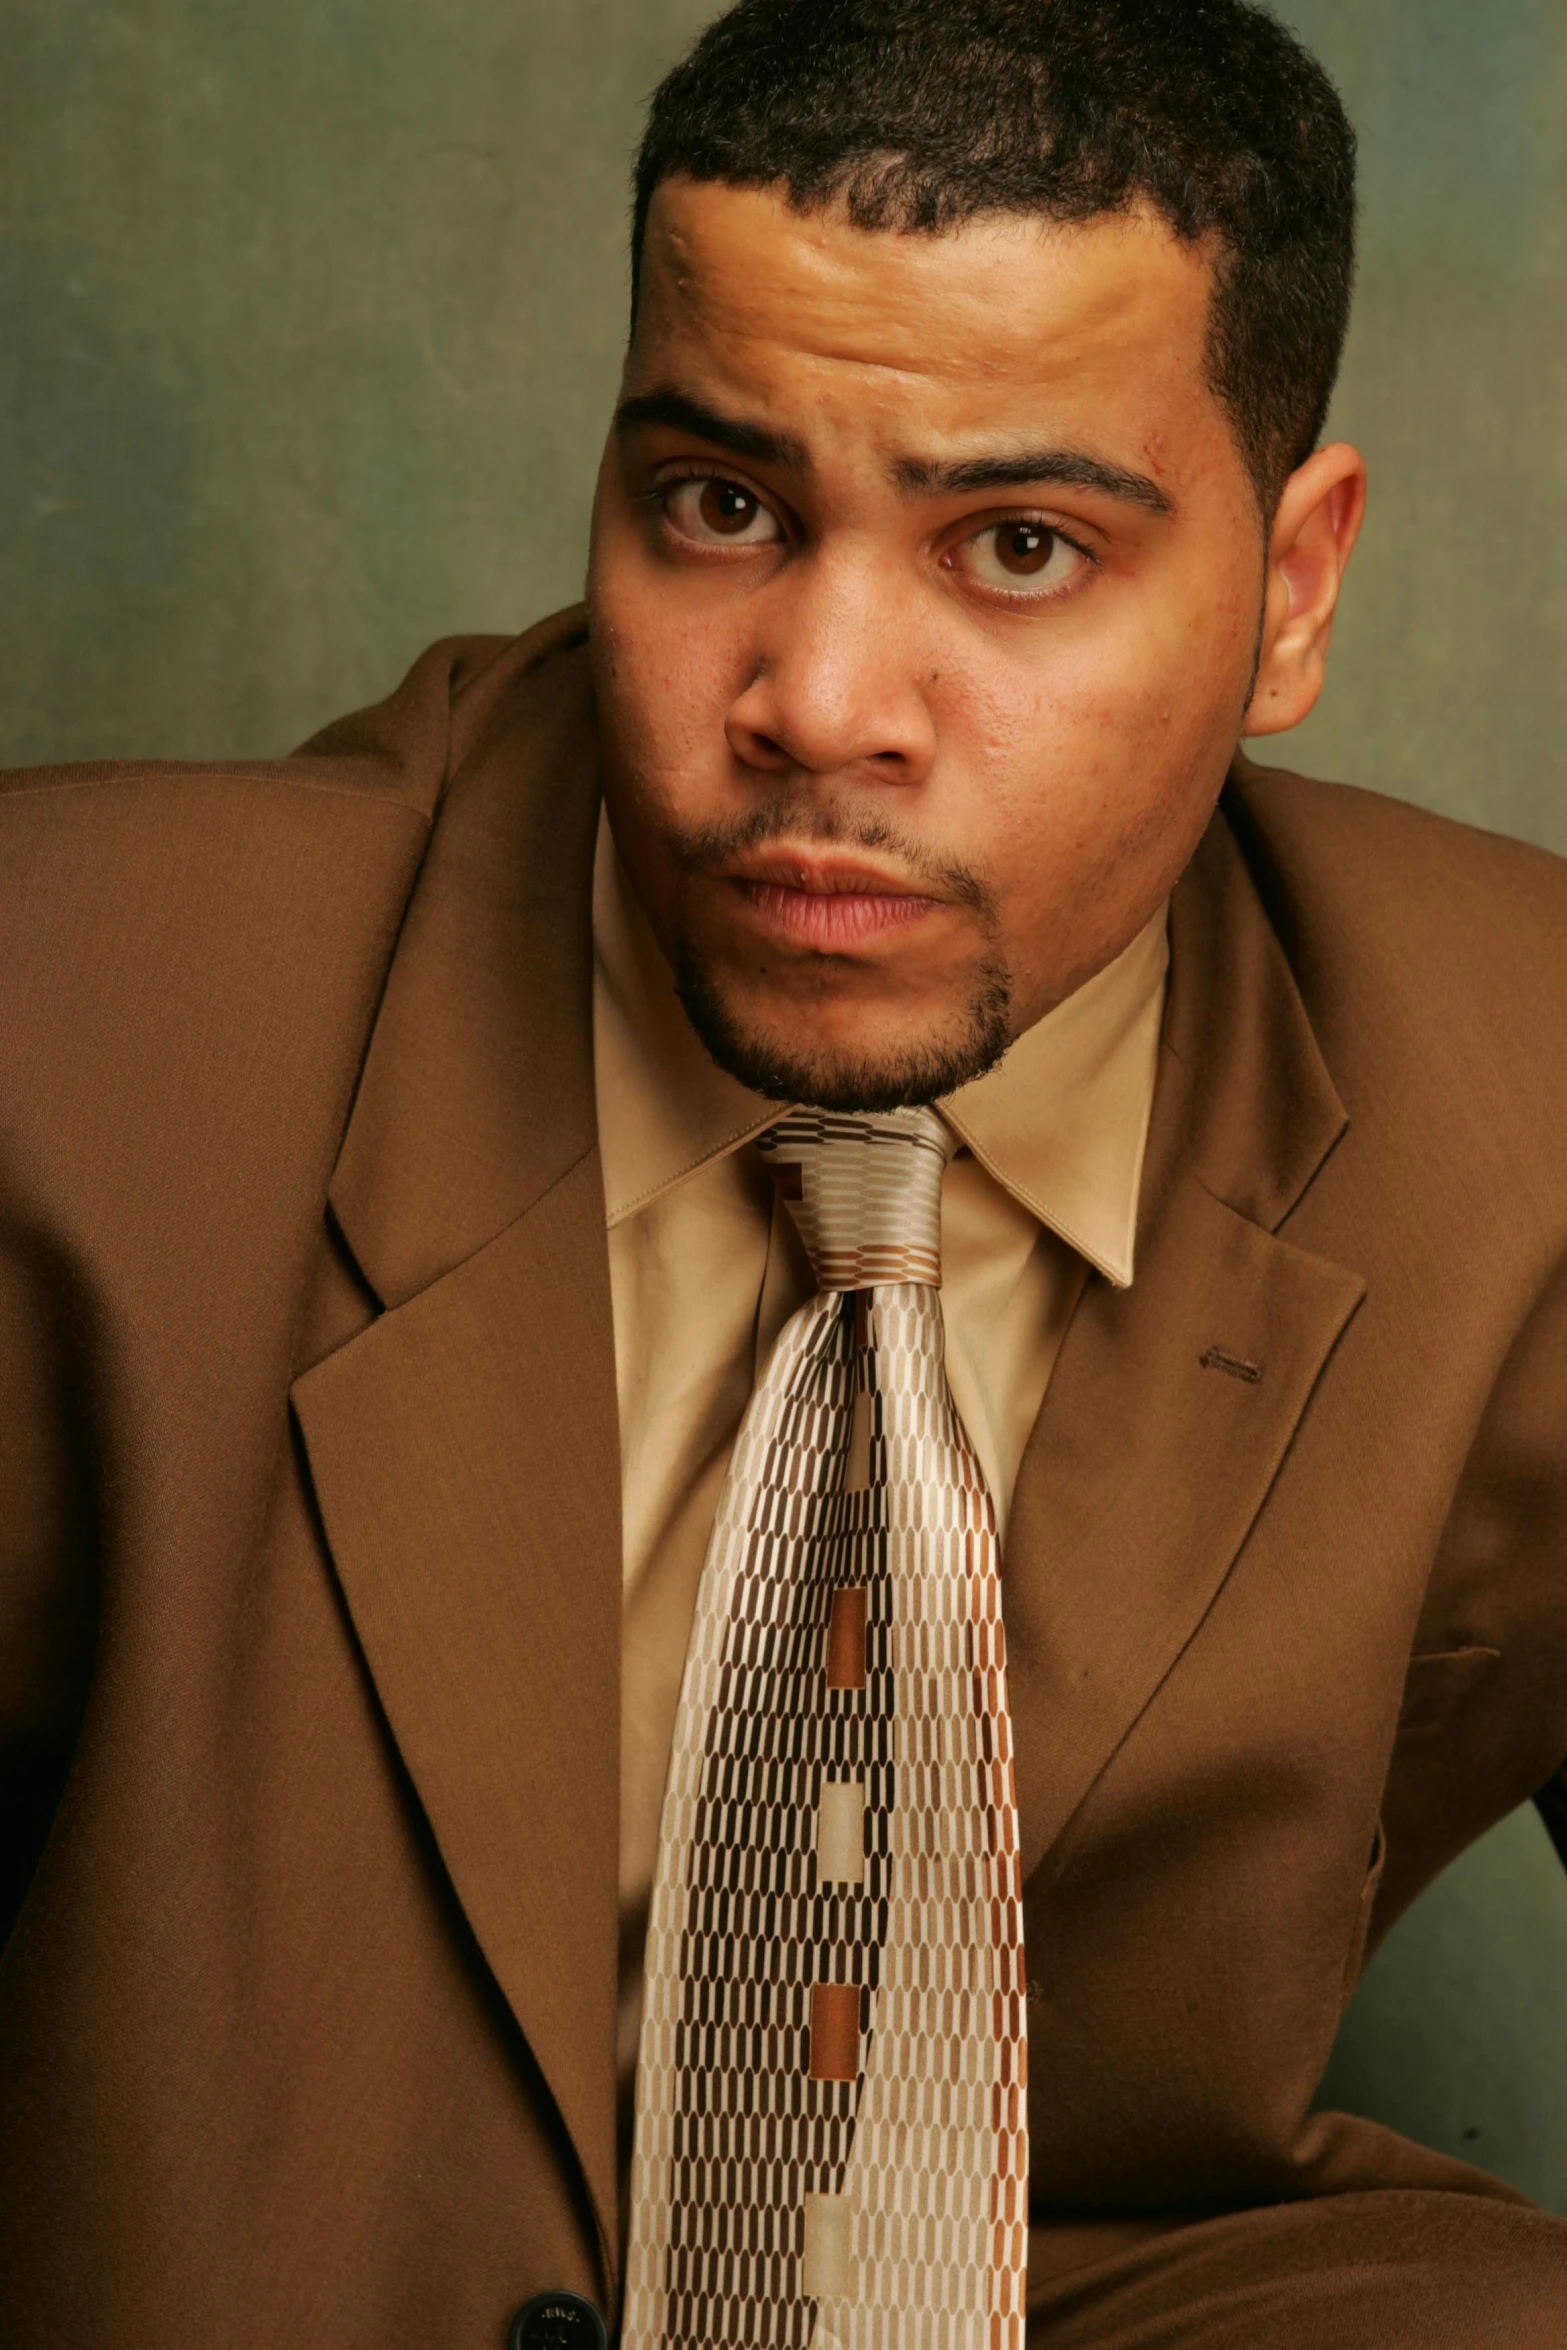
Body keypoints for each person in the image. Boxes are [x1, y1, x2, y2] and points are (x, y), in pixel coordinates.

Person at [2, 0, 1566, 2342]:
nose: (820, 697)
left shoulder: (1523, 1097)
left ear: (1296, 586)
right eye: (721, 505)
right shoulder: (83, 1022)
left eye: (1018, 545)